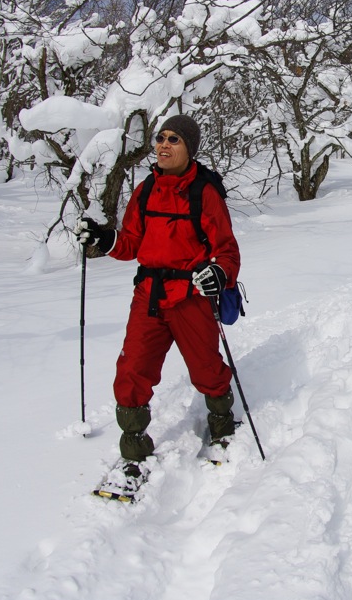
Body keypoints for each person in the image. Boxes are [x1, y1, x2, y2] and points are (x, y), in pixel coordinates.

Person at [75, 114, 240, 485]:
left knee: (206, 368)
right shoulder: (146, 189)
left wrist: (217, 273)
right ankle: (134, 453)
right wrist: (104, 240)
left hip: (191, 296)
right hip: (148, 295)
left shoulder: (205, 192)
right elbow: (131, 243)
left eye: (174, 140)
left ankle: (222, 422)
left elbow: (227, 251)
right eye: (160, 138)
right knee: (132, 370)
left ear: (189, 149)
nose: (164, 145)